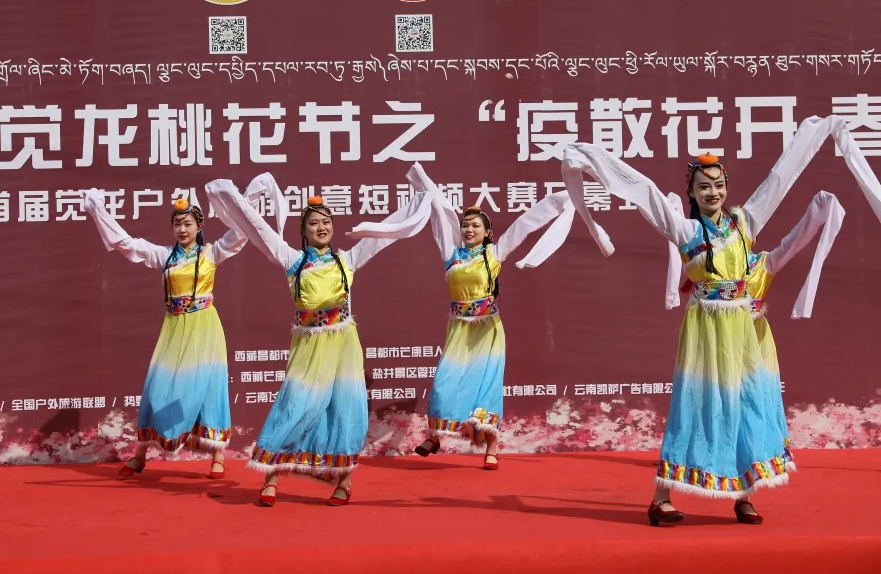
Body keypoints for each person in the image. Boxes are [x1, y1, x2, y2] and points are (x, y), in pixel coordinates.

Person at [561, 114, 874, 525]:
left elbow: (778, 180)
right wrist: (594, 159)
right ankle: (661, 497)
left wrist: (814, 134)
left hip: (744, 329)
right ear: (691, 192)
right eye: (704, 186)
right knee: (696, 406)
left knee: (747, 403)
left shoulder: (745, 222)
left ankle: (744, 494)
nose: (713, 192)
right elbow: (646, 193)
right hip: (706, 330)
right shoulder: (686, 230)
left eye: (718, 185)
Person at [349, 163, 610, 469]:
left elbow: (525, 224)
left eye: (475, 226)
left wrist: (561, 199)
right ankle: (435, 436)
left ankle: (491, 446)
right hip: (459, 330)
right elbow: (440, 216)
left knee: (487, 387)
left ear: (487, 232)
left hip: (487, 330)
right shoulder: (451, 255)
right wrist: (425, 187)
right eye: (465, 225)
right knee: (445, 383)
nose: (469, 229)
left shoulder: (494, 254)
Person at [205, 173, 433, 506]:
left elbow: (385, 233)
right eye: (314, 223)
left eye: (326, 221)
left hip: (343, 345)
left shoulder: (347, 259)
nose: (321, 227)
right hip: (309, 345)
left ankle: (344, 482)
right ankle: (271, 477)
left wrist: (420, 198)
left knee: (345, 409)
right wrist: (229, 194)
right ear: (304, 230)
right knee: (295, 405)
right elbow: (258, 229)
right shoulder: (292, 260)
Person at [83, 177, 280, 480]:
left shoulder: (211, 253)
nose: (182, 229)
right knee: (157, 389)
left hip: (204, 326)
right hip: (174, 328)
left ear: (199, 226)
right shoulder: (165, 256)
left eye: (188, 223)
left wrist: (248, 198)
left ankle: (217, 456)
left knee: (209, 388)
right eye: (177, 224)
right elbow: (126, 244)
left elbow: (241, 231)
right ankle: (140, 454)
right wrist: (98, 209)